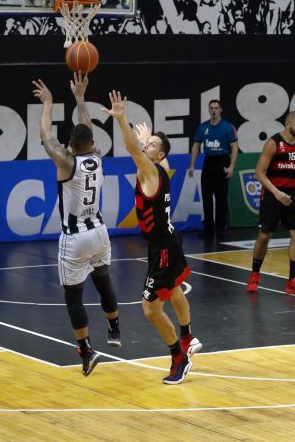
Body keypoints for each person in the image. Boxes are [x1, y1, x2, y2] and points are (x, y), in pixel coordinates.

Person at [104, 90, 202, 385]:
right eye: (148, 144)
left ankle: (179, 357)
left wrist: (121, 119)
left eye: (152, 146)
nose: (146, 146)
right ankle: (187, 337)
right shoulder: (163, 167)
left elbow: (131, 148)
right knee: (174, 290)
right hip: (169, 241)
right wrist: (149, 139)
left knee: (150, 309)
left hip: (163, 248)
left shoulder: (151, 171)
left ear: (159, 155)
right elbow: (146, 151)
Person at [33, 74, 120, 377]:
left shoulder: (66, 162)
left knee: (73, 295)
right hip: (100, 232)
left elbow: (46, 137)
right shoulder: (98, 156)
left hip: (75, 237)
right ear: (93, 144)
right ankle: (114, 328)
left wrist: (48, 104)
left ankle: (86, 350)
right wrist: (80, 99)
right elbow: (87, 130)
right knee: (104, 281)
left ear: (70, 145)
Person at [245, 111, 295, 295]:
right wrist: (276, 193)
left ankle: (293, 281)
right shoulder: (273, 143)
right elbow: (259, 173)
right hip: (273, 194)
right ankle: (254, 275)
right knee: (264, 236)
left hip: (293, 194)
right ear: (287, 124)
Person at [189, 99, 239, 238]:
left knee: (221, 198)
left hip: (222, 162)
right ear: (209, 110)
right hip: (209, 162)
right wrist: (192, 165)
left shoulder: (228, 127)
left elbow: (234, 148)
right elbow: (196, 146)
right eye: (211, 108)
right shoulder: (203, 127)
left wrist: (231, 167)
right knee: (206, 197)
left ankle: (220, 227)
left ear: (220, 110)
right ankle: (208, 228)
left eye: (216, 108)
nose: (214, 110)